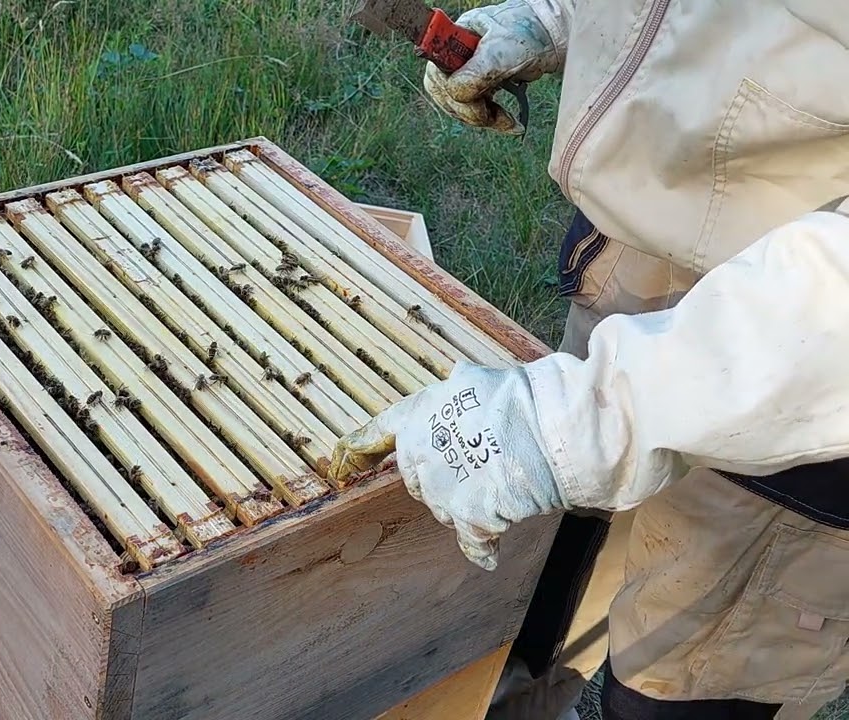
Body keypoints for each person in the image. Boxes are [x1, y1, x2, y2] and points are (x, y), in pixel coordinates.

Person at [328, 1, 849, 719]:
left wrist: (597, 418)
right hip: (644, 241)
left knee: (678, 681)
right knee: (557, 554)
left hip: (807, 362)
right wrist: (558, 20)